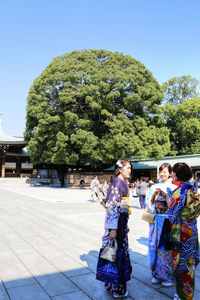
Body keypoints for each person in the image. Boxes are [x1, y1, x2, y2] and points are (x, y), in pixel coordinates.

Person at [166, 163, 200, 300]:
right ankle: (188, 292)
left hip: (180, 231)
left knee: (181, 263)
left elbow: (171, 213)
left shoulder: (178, 192)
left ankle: (184, 295)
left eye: (173, 172)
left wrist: (168, 197)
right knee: (189, 262)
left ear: (177, 174)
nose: (172, 174)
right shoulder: (193, 190)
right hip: (191, 230)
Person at [100, 158, 132, 298]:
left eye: (130, 168)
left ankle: (110, 285)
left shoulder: (119, 182)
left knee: (113, 255)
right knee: (117, 255)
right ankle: (117, 289)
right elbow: (112, 206)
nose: (130, 170)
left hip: (120, 223)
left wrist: (125, 224)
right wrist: (113, 229)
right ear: (120, 169)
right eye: (128, 168)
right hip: (116, 225)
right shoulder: (118, 183)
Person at [146, 163, 177, 287]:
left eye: (165, 171)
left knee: (166, 248)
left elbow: (174, 206)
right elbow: (149, 204)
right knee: (154, 247)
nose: (162, 174)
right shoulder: (154, 186)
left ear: (170, 173)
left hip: (167, 221)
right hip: (156, 220)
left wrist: (165, 195)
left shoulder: (174, 186)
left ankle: (168, 275)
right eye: (161, 172)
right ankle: (156, 274)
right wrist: (153, 195)